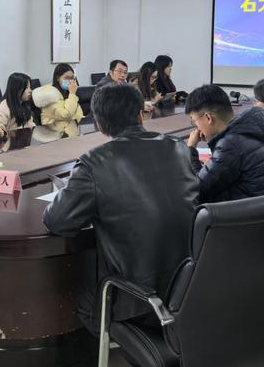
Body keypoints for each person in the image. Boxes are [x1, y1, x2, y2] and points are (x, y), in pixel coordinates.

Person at [43, 83, 199, 338]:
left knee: (79, 297)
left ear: (99, 124)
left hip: (137, 301)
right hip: (188, 287)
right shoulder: (178, 148)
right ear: (140, 114)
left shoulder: (94, 163)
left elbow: (57, 221)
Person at [185, 84, 264, 203]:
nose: (196, 127)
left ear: (208, 118)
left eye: (195, 121)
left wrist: (191, 149)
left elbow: (198, 190)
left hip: (251, 211)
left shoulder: (231, 144)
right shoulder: (259, 127)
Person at [32, 64, 84, 135]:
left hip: (70, 132)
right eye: (67, 78)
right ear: (57, 78)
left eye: (72, 78)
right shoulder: (48, 94)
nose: (70, 81)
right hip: (55, 135)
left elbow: (78, 115)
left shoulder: (67, 93)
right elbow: (66, 115)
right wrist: (72, 94)